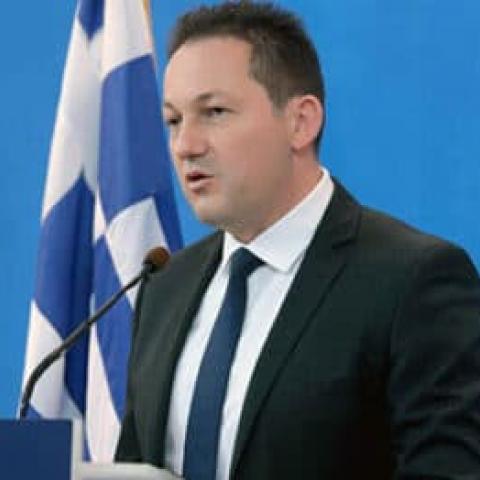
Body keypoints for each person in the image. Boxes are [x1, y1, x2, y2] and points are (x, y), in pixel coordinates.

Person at [115, 2, 480, 479]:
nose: (185, 145)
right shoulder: (165, 286)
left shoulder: (412, 281)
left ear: (301, 122)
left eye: (214, 112)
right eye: (173, 120)